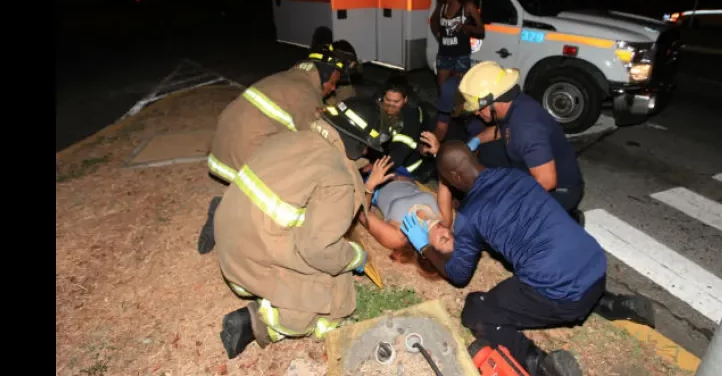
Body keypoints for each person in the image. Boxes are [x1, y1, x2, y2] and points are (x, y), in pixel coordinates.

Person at [400, 141, 655, 376]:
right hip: (595, 266)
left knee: (477, 309)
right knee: (556, 260)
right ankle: (613, 303)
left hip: (565, 297)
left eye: (445, 179)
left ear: (455, 177)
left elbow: (458, 274)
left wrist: (424, 247)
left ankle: (539, 364)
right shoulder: (516, 176)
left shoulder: (470, 214)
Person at [214, 97, 395, 359]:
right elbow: (317, 249)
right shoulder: (337, 180)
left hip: (229, 239)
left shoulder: (292, 137)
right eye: (367, 148)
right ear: (358, 144)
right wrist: (356, 256)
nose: (367, 154)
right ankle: (260, 322)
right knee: (334, 288)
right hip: (248, 265)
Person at [197, 48, 353, 254]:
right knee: (298, 180)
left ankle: (233, 198)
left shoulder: (289, 78)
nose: (333, 89)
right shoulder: (306, 95)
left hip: (222, 149)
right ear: (323, 74)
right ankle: (223, 211)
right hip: (243, 150)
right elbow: (318, 142)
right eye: (332, 82)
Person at [425, 61, 585, 224]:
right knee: (484, 155)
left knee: (498, 222)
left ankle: (564, 218)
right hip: (530, 168)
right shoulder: (514, 105)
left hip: (561, 191)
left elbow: (547, 181)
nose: (478, 114)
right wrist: (475, 142)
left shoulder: (526, 129)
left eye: (479, 109)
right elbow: (500, 131)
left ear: (492, 102)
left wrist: (505, 200)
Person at [429, 0, 485, 89]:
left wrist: (466, 27)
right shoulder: (442, 6)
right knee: (443, 89)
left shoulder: (467, 6)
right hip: (444, 54)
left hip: (461, 55)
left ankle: (457, 107)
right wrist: (437, 33)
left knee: (461, 91)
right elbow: (433, 21)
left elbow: (481, 30)